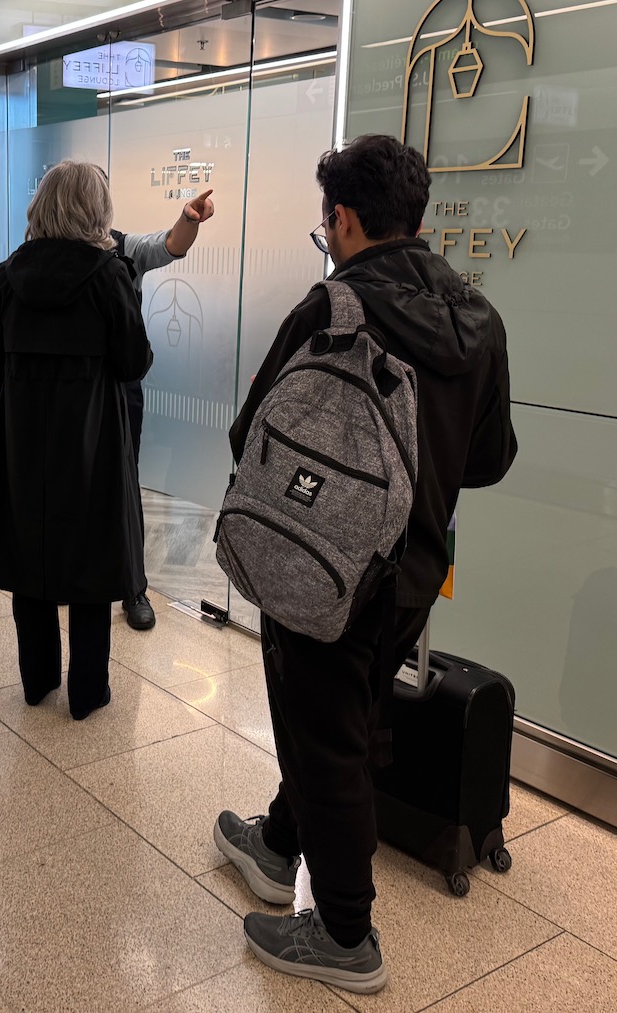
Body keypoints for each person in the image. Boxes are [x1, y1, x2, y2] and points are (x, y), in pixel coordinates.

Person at [213, 135, 516, 993]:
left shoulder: (333, 307)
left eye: (325, 222)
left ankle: (346, 932)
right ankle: (278, 844)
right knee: (340, 717)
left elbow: (251, 435)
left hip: (323, 565)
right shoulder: (478, 318)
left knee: (328, 735)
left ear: (343, 218)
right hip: (413, 571)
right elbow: (490, 457)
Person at [0, 160, 153, 720]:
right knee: (92, 560)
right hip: (92, 437)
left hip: (22, 436)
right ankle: (87, 693)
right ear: (97, 210)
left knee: (31, 550)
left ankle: (37, 679)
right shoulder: (108, 274)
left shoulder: (9, 273)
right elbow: (133, 361)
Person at [111, 188, 216, 630]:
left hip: (119, 389)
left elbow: (168, 245)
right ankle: (72, 573)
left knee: (123, 481)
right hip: (69, 391)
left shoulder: (122, 247)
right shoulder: (43, 253)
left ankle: (133, 587)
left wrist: (188, 219)